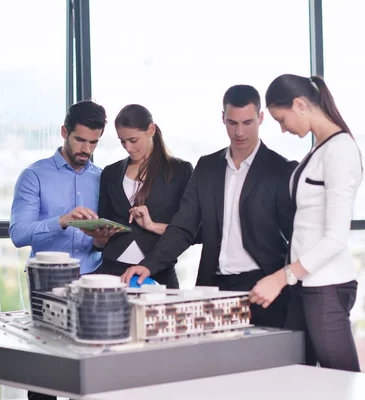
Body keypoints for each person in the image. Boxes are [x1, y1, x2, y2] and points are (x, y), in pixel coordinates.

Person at [121, 85, 298, 328]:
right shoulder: (206, 168)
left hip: (264, 287)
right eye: (232, 123)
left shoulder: (281, 170)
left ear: (260, 118)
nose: (239, 132)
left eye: (247, 122)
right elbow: (183, 227)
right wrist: (148, 266)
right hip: (213, 288)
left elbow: (296, 237)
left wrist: (288, 282)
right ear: (223, 118)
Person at [250, 74, 363, 372]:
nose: (283, 129)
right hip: (306, 284)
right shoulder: (319, 149)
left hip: (325, 285)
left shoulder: (339, 150)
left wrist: (281, 277)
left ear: (300, 105)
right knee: (300, 377)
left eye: (282, 119)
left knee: (343, 381)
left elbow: (336, 238)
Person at [9, 100, 111, 400]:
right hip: (48, 287)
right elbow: (18, 234)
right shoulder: (34, 176)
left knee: (91, 377)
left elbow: (98, 241)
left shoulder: (102, 178)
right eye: (80, 139)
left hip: (92, 281)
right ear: (64, 132)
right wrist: (61, 221)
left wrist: (101, 240)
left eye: (93, 142)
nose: (86, 150)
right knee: (45, 378)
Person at [91, 104, 193, 288]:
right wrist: (99, 238)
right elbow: (102, 232)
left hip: (158, 272)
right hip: (111, 273)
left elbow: (191, 231)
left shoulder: (180, 171)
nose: (128, 148)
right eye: (122, 141)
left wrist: (152, 226)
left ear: (151, 129)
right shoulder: (110, 173)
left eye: (133, 140)